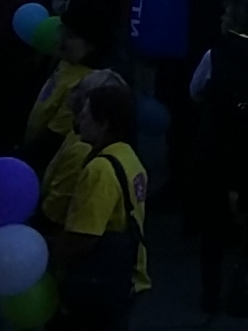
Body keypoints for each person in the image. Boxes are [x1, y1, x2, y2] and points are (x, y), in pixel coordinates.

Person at [55, 73, 149, 331]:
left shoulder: (100, 170)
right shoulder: (128, 156)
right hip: (126, 276)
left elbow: (84, 236)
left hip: (99, 283)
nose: (79, 120)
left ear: (104, 123)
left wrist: (56, 259)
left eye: (85, 114)